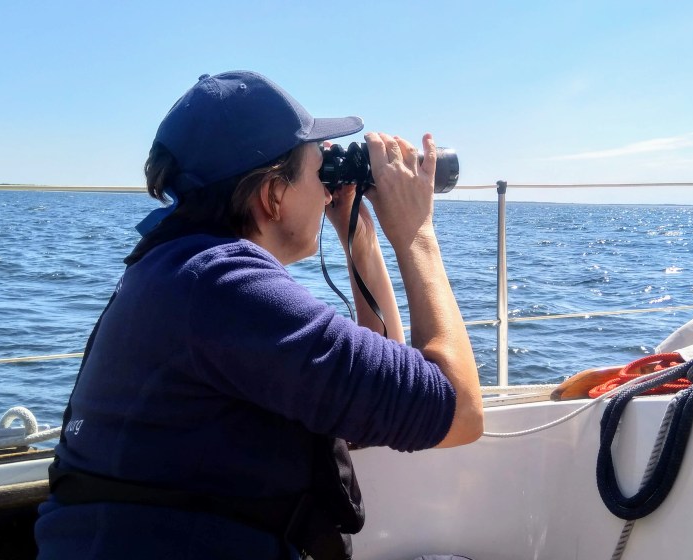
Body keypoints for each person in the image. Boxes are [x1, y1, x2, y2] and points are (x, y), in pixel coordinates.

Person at [34, 70, 482, 559]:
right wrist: (416, 234)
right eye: (319, 170)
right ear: (272, 195)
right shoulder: (225, 287)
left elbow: (380, 394)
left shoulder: (176, 270)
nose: (327, 189)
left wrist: (359, 239)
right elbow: (459, 412)